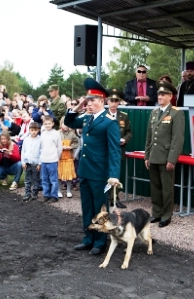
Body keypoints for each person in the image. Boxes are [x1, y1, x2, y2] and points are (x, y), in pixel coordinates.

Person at [65, 78, 121, 256]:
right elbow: (68, 121)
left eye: (93, 100)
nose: (89, 103)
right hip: (86, 170)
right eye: (88, 100)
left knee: (100, 209)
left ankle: (100, 241)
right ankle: (88, 238)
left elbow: (114, 151)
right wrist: (78, 105)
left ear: (102, 102)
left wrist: (113, 175)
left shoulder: (109, 122)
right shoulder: (86, 118)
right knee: (87, 207)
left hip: (100, 173)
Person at [145, 80, 185, 228]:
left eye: (163, 94)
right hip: (154, 156)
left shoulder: (176, 113)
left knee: (167, 188)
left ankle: (166, 215)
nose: (160, 97)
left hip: (166, 157)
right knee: (155, 187)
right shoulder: (154, 113)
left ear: (170, 96)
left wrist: (172, 159)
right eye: (159, 94)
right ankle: (156, 213)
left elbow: (177, 139)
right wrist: (147, 156)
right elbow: (149, 137)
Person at [106, 88, 132, 209]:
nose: (114, 103)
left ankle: (115, 199)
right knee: (106, 174)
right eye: (112, 100)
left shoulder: (123, 116)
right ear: (107, 101)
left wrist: (125, 139)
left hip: (118, 150)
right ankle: (106, 198)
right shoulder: (103, 115)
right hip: (105, 150)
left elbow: (129, 132)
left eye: (116, 101)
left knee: (116, 174)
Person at [39, 115, 62, 203]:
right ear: (43, 124)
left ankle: (54, 195)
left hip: (52, 160)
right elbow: (41, 147)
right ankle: (46, 194)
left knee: (53, 179)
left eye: (49, 123)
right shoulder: (43, 134)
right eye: (45, 124)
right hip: (44, 160)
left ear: (52, 124)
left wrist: (57, 157)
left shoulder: (56, 134)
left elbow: (59, 147)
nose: (47, 125)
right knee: (44, 179)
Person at [58, 117, 79, 199]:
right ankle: (59, 191)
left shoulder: (72, 134)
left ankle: (68, 191)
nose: (65, 126)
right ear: (61, 124)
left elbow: (76, 143)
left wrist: (70, 147)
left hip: (69, 157)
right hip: (60, 157)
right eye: (64, 124)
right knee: (59, 175)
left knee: (69, 175)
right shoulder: (57, 133)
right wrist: (61, 147)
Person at [21, 122, 42, 202]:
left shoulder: (40, 140)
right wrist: (23, 162)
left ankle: (34, 193)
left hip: (35, 163)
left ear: (38, 130)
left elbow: (41, 152)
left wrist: (40, 163)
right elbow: (23, 151)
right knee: (27, 179)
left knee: (36, 179)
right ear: (29, 130)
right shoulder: (26, 140)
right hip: (27, 163)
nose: (33, 132)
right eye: (32, 130)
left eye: (35, 130)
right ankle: (27, 193)